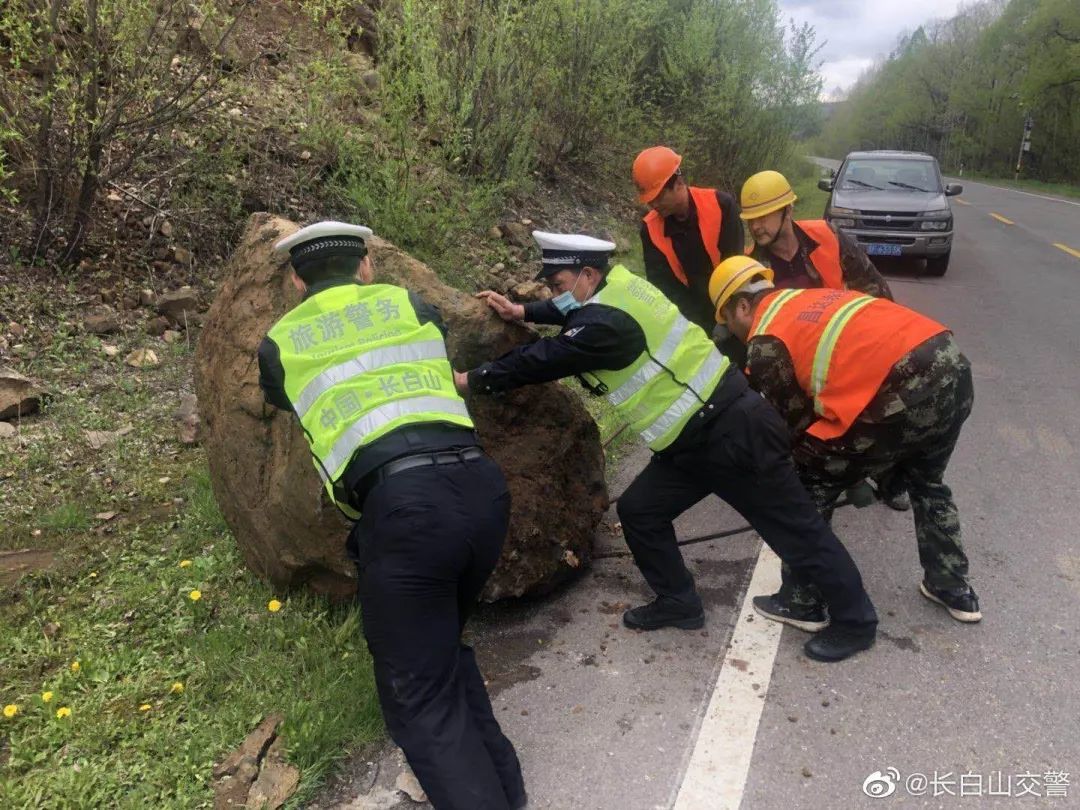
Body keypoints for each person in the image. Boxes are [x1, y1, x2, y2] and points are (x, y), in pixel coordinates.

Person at [457, 230, 878, 663]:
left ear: (587, 275)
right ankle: (679, 600)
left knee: (795, 529)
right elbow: (572, 311)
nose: (556, 294)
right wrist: (523, 309)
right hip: (691, 443)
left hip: (731, 431)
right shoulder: (620, 286)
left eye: (560, 284)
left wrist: (469, 380)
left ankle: (856, 621)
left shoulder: (602, 324)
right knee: (641, 510)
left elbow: (543, 358)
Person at [257, 221, 526, 810]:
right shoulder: (414, 305)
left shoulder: (281, 340)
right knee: (439, 647)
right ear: (367, 267)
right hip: (482, 492)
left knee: (417, 695)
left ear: (298, 281)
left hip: (406, 511)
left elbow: (280, 395)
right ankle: (505, 786)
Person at [709, 255, 982, 627]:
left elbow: (795, 429)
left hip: (905, 389)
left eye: (728, 324)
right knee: (927, 481)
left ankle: (803, 600)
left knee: (810, 475)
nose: (735, 335)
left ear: (741, 306)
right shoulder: (807, 300)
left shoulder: (767, 338)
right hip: (954, 370)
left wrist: (840, 474)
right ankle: (950, 585)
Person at [741, 169, 908, 511]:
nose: (757, 226)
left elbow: (871, 283)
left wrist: (886, 338)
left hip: (845, 346)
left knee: (881, 413)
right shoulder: (751, 266)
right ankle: (832, 483)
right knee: (813, 429)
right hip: (796, 362)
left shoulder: (827, 236)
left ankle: (891, 479)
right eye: (751, 219)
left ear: (787, 210)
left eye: (763, 216)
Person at [633, 146, 745, 335]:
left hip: (733, 301)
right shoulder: (650, 229)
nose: (654, 205)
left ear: (678, 183)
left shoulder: (721, 206)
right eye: (649, 200)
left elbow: (736, 264)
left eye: (658, 197)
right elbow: (665, 286)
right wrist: (696, 327)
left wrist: (727, 316)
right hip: (691, 314)